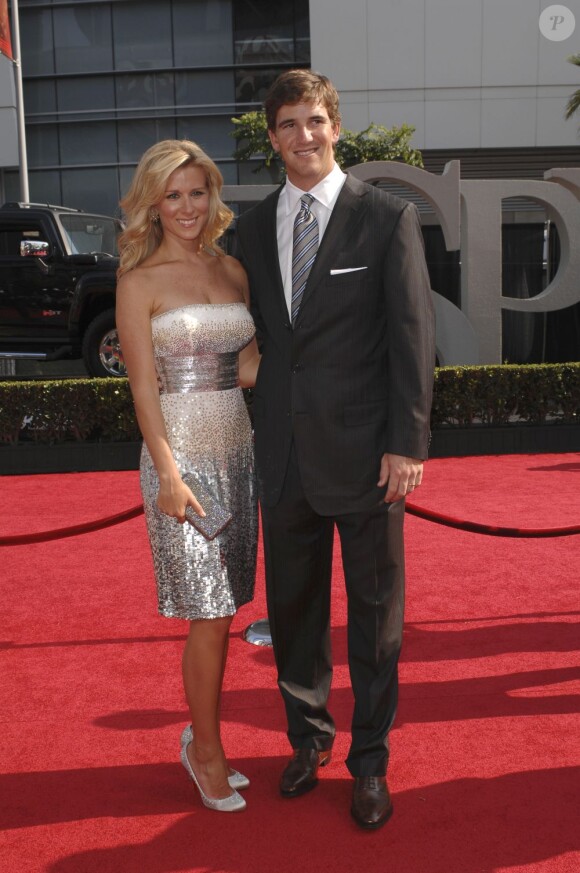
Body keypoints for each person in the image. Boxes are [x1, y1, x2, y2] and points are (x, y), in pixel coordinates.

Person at [234, 70, 436, 829]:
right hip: (282, 455)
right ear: (273, 136)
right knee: (294, 614)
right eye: (287, 124)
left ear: (336, 127)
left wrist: (406, 442)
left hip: (367, 457)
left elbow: (414, 338)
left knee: (377, 619)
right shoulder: (250, 230)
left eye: (314, 120)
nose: (303, 136)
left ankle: (372, 761)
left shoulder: (385, 218)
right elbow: (241, 323)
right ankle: (307, 738)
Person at [116, 140, 260, 814]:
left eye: (196, 192)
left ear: (213, 195)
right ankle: (205, 750)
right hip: (181, 459)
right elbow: (143, 391)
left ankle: (203, 738)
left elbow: (253, 364)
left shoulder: (232, 270)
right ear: (153, 203)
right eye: (172, 195)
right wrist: (169, 475)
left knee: (226, 612)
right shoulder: (139, 282)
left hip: (238, 448)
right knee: (208, 612)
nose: (186, 207)